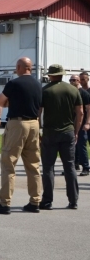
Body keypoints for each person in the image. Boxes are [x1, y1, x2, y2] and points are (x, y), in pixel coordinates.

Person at [0, 57, 43, 215]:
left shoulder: (14, 83)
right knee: (33, 165)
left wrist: (9, 103)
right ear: (30, 68)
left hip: (17, 124)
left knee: (8, 163)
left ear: (20, 67)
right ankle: (35, 201)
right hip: (34, 124)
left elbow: (0, 101)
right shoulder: (38, 84)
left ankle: (5, 203)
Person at [38, 65, 83, 210]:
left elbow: (38, 112)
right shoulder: (73, 90)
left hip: (50, 132)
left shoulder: (45, 90)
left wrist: (39, 131)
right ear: (62, 75)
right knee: (69, 166)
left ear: (50, 75)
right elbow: (80, 112)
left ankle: (47, 200)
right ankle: (73, 200)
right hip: (68, 132)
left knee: (48, 167)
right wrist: (76, 131)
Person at [70, 75, 90, 176]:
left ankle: (86, 167)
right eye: (71, 80)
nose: (72, 82)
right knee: (72, 145)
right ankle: (73, 165)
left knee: (81, 144)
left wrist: (87, 123)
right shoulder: (69, 93)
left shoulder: (84, 93)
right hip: (71, 123)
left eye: (74, 80)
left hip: (82, 123)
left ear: (78, 81)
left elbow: (88, 109)